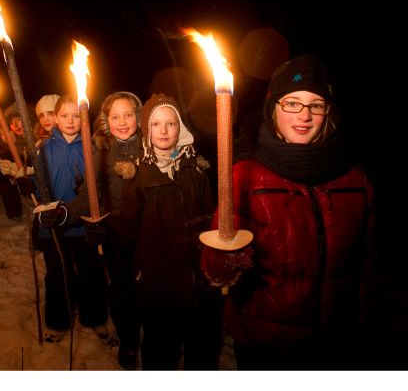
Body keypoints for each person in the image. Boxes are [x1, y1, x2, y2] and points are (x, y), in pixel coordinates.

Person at [201, 54, 376, 370]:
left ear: (328, 112)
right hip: (265, 345)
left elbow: (369, 262)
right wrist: (222, 263)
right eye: (292, 103)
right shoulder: (245, 176)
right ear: (273, 109)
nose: (304, 115)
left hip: (336, 343)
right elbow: (218, 259)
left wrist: (362, 323)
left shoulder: (356, 180)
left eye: (316, 105)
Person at [119, 93, 223, 370]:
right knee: (160, 347)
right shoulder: (139, 176)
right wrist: (104, 233)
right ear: (146, 130)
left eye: (171, 123)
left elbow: (210, 221)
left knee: (200, 346)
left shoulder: (197, 172)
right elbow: (127, 227)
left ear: (182, 128)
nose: (163, 131)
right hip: (157, 283)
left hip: (196, 280)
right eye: (156, 125)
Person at [54, 91, 144, 369]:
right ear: (105, 121)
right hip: (113, 234)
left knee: (149, 291)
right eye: (114, 116)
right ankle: (128, 339)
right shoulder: (100, 153)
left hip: (148, 234)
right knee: (121, 291)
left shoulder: (151, 147)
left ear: (138, 117)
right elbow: (86, 197)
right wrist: (64, 213)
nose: (122, 121)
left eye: (128, 114)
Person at [24, 95, 109, 342]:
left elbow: (100, 188)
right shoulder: (43, 149)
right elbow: (39, 185)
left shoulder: (92, 149)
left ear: (84, 118)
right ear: (55, 118)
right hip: (53, 225)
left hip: (84, 225)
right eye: (64, 116)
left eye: (76, 115)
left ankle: (94, 318)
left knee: (91, 272)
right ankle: (58, 322)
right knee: (57, 273)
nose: (70, 121)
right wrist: (26, 183)